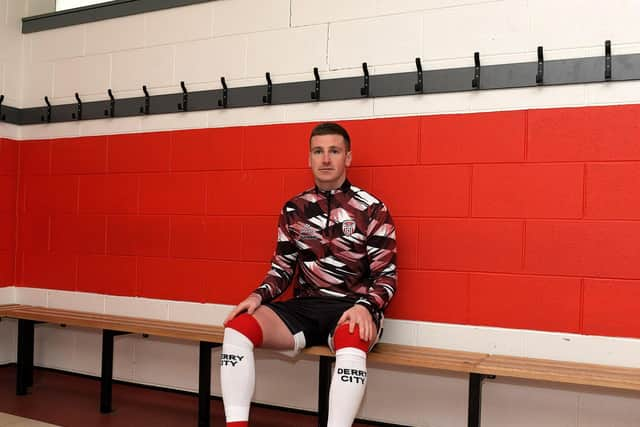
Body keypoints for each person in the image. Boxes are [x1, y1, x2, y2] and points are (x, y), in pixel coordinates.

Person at [220, 122, 397, 427]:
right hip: (305, 309)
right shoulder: (294, 209)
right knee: (238, 328)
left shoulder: (372, 208)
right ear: (309, 159)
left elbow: (386, 276)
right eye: (318, 151)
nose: (326, 159)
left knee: (353, 339)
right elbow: (282, 268)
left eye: (334, 151)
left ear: (348, 158)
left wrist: (366, 307)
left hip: (352, 310)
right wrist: (257, 295)